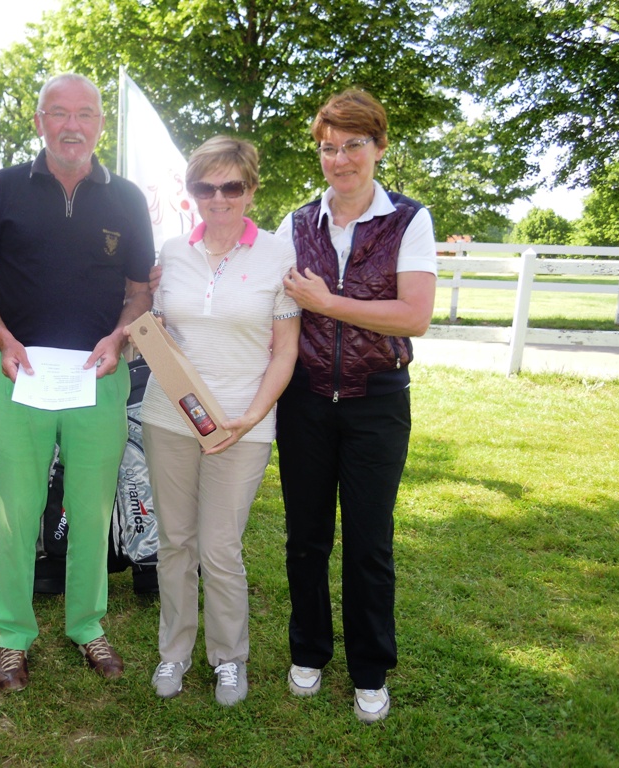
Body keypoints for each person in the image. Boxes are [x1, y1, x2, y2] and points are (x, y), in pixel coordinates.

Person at [0, 73, 154, 692]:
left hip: (99, 376)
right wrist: (2, 340)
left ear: (100, 123)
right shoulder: (6, 188)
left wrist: (118, 338)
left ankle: (86, 624)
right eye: (59, 113)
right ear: (39, 120)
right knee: (18, 511)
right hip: (20, 374)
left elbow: (140, 291)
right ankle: (13, 636)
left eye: (85, 113)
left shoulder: (128, 198)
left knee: (91, 509)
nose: (73, 125)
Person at [276, 89, 437, 723]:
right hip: (307, 401)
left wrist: (329, 303)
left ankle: (370, 670)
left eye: (353, 145)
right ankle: (309, 652)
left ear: (379, 147)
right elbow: (269, 303)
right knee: (305, 537)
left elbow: (414, 315)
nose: (340, 160)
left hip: (376, 403)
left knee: (369, 542)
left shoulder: (408, 220)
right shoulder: (297, 224)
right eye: (328, 148)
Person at [139, 137, 300, 706]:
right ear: (192, 193)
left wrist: (253, 416)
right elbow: (157, 331)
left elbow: (285, 350)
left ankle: (229, 659)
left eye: (232, 186)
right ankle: (174, 651)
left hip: (240, 423)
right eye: (205, 187)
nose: (218, 197)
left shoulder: (278, 255)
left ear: (251, 190)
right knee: (175, 542)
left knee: (220, 547)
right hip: (168, 417)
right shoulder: (172, 251)